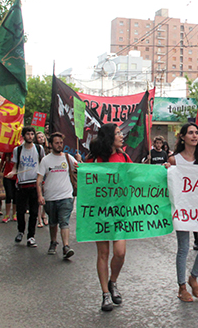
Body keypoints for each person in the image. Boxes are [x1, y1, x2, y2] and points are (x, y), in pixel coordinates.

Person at [86, 123, 133, 312]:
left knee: (120, 253)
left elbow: (135, 176)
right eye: (118, 133)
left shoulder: (124, 157)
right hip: (100, 213)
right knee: (103, 253)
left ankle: (113, 282)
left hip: (120, 213)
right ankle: (105, 294)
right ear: (109, 138)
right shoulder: (93, 160)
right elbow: (86, 185)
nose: (122, 136)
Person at [168, 123, 198, 302]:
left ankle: (193, 277)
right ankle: (182, 287)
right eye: (191, 133)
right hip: (183, 211)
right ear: (182, 137)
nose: (195, 136)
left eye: (196, 133)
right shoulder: (174, 160)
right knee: (183, 248)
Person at [37, 132, 77, 259]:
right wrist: (40, 196)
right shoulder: (45, 160)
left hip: (66, 196)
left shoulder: (67, 157)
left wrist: (79, 161)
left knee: (64, 221)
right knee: (53, 222)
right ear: (51, 144)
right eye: (57, 143)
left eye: (61, 143)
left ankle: (66, 246)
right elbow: (39, 180)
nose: (59, 145)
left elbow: (79, 168)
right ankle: (53, 242)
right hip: (50, 197)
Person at [7, 126, 45, 248]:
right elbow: (15, 167)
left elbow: (43, 165)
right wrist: (12, 172)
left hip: (35, 185)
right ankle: (20, 231)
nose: (30, 136)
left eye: (32, 134)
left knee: (34, 212)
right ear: (23, 136)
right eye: (28, 134)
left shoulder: (39, 149)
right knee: (20, 211)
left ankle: (31, 236)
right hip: (22, 185)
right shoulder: (17, 150)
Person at [36, 131, 50, 228]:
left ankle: (44, 215)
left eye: (42, 137)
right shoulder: (36, 148)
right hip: (38, 172)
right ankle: (39, 219)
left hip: (47, 172)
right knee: (39, 196)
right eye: (39, 137)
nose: (41, 139)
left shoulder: (48, 148)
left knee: (46, 195)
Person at [0, 151, 18, 223]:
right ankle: (7, 214)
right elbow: (1, 163)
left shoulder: (18, 151)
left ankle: (14, 213)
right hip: (7, 177)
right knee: (9, 195)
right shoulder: (6, 153)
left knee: (16, 196)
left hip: (16, 177)